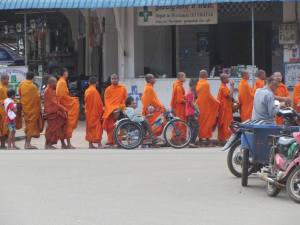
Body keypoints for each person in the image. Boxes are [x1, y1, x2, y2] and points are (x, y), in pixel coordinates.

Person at [56, 68, 80, 149]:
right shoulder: (62, 82)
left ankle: (64, 144)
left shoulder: (61, 81)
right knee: (67, 125)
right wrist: (72, 100)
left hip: (63, 105)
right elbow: (61, 97)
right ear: (64, 73)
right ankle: (68, 144)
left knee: (64, 126)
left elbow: (63, 96)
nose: (68, 73)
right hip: (64, 107)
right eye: (67, 72)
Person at [19, 72, 42, 149]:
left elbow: (20, 95)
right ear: (33, 78)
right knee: (31, 127)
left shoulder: (21, 84)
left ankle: (27, 143)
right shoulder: (33, 87)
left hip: (25, 108)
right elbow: (37, 99)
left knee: (28, 126)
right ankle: (27, 144)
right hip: (32, 109)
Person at [196, 70, 219, 146]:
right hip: (206, 106)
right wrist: (216, 102)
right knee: (207, 123)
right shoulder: (206, 84)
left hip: (199, 105)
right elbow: (208, 95)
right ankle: (208, 140)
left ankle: (200, 139)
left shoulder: (198, 83)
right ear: (205, 75)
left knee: (201, 122)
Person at [103, 74, 127, 146]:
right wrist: (112, 109)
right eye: (112, 79)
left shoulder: (123, 88)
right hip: (110, 110)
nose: (114, 80)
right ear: (110, 80)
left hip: (120, 109)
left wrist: (120, 108)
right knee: (109, 125)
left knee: (122, 125)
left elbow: (124, 100)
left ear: (118, 79)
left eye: (115, 78)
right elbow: (106, 101)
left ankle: (119, 140)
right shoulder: (108, 89)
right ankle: (110, 140)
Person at [44, 76, 67, 149]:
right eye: (55, 83)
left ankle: (63, 144)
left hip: (55, 112)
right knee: (52, 129)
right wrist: (64, 108)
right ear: (50, 83)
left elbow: (55, 101)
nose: (56, 84)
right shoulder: (48, 90)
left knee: (59, 127)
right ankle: (48, 144)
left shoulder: (51, 89)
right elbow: (54, 102)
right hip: (51, 112)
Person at [84, 76, 104, 149]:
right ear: (96, 83)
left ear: (89, 83)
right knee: (98, 128)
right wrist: (102, 110)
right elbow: (98, 103)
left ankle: (90, 144)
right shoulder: (94, 91)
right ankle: (99, 144)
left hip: (88, 112)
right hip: (95, 113)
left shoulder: (87, 90)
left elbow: (86, 102)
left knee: (89, 128)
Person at [217, 74, 234, 145]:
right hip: (224, 109)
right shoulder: (223, 87)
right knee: (226, 124)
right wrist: (232, 86)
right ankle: (225, 139)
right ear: (223, 79)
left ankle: (221, 139)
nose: (228, 79)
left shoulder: (223, 86)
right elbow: (230, 96)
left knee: (222, 124)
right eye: (227, 78)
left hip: (224, 108)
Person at [185, 79, 199, 148]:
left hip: (189, 113)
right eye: (196, 85)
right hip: (191, 113)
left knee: (191, 128)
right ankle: (192, 142)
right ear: (193, 85)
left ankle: (190, 142)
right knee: (196, 127)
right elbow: (192, 103)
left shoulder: (190, 92)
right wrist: (197, 110)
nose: (196, 87)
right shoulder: (190, 93)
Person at [0, 74, 9, 148]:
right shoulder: (1, 88)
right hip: (1, 111)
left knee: (4, 128)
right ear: (3, 79)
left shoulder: (5, 87)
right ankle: (2, 145)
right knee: (2, 128)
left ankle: (3, 144)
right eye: (7, 79)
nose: (8, 81)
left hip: (5, 111)